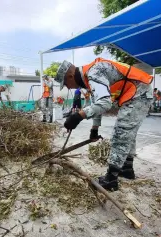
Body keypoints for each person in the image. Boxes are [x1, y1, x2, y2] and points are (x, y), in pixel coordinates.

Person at [55, 58, 153, 191]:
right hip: (135, 91)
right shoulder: (89, 76)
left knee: (122, 132)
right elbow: (97, 103)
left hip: (139, 91)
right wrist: (94, 129)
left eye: (66, 84)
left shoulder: (93, 73)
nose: (68, 87)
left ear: (70, 76)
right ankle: (127, 168)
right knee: (128, 131)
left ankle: (111, 180)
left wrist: (78, 116)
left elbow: (104, 103)